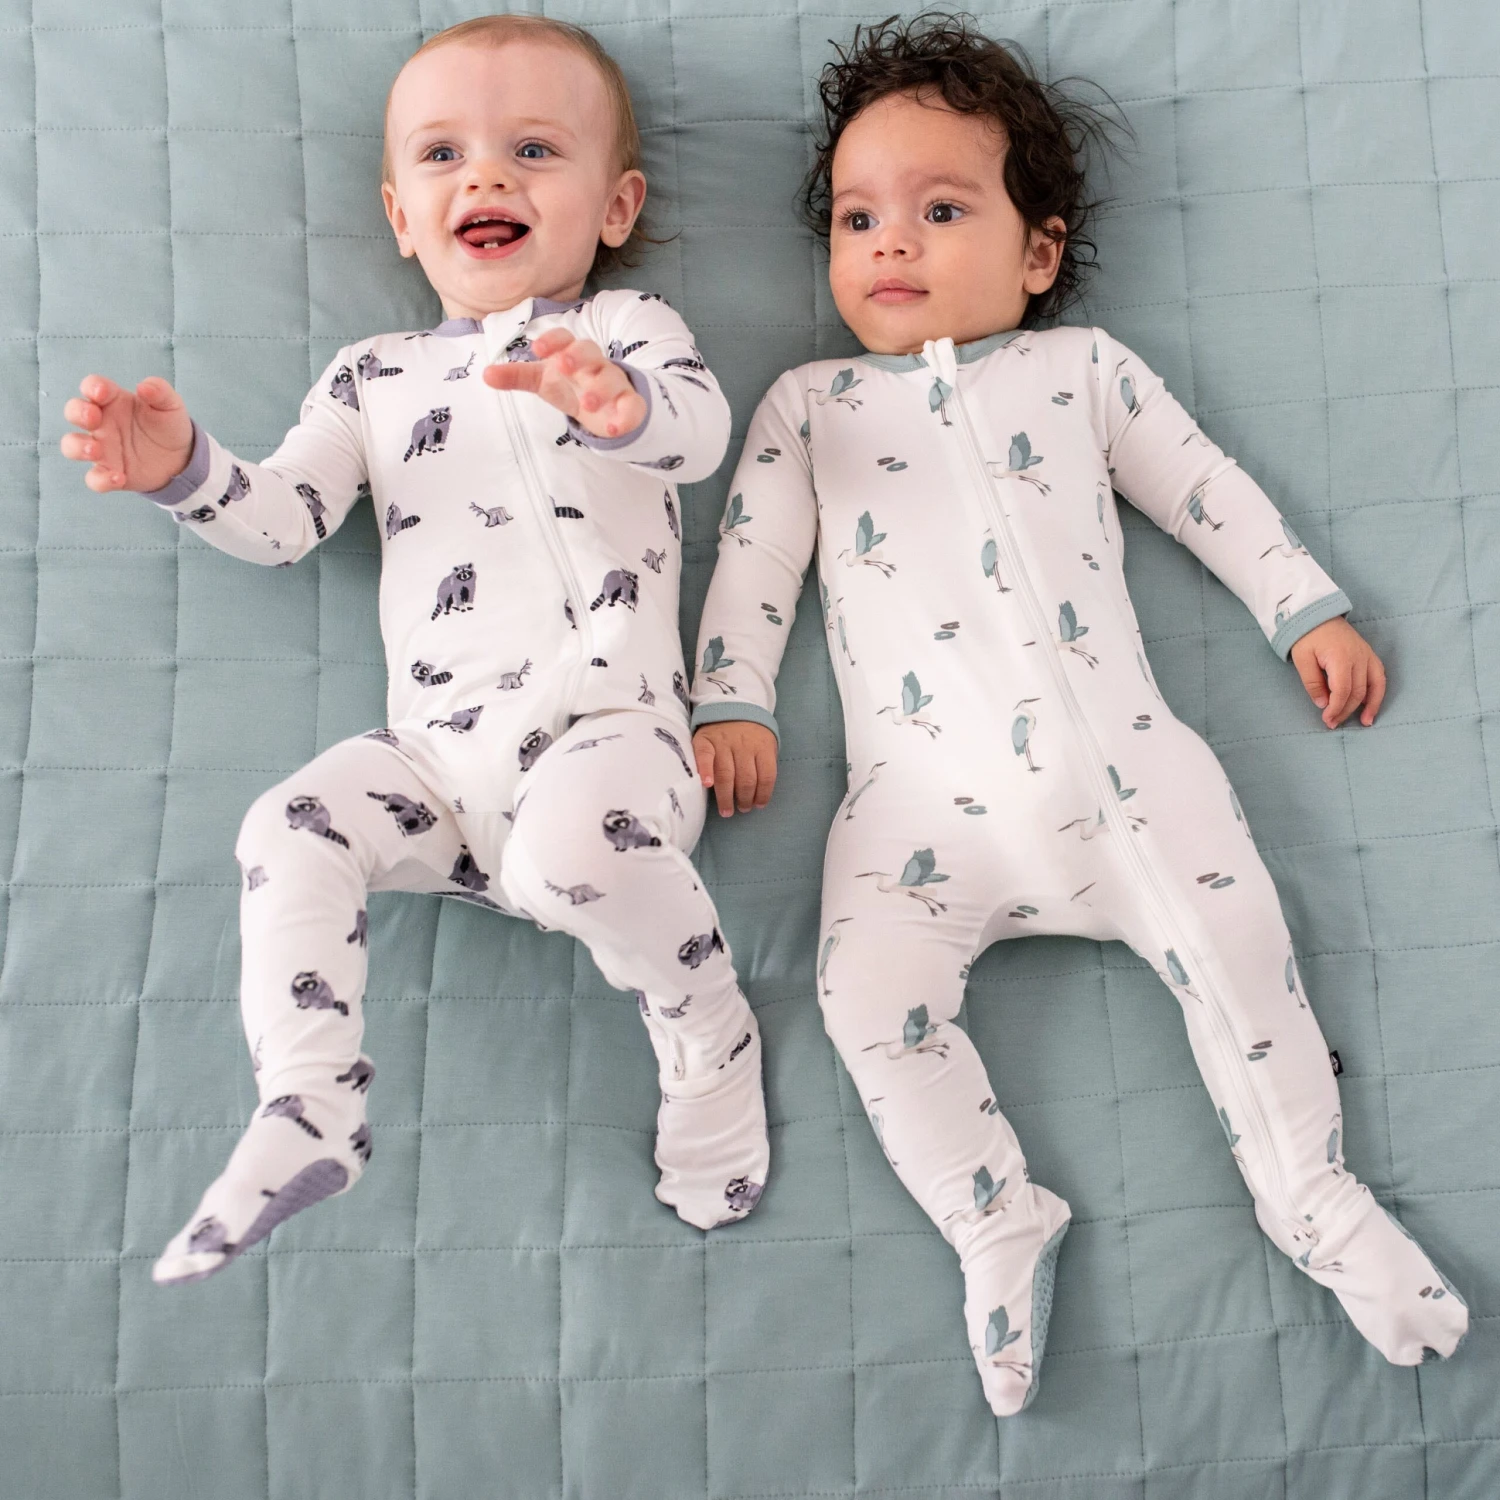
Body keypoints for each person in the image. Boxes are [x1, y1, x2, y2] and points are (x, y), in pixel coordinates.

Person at [689, 12, 1464, 1414]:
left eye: (941, 211)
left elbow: (1205, 489)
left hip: (1130, 784)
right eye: (858, 218)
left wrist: (1302, 605)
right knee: (864, 1001)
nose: (891, 243)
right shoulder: (807, 407)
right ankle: (995, 1218)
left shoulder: (1083, 373)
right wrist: (732, 701)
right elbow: (751, 564)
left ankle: (1314, 1197)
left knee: (1244, 965)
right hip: (914, 813)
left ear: (1037, 254)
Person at [60, 14, 768, 1285]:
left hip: (609, 735)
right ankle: (311, 1100)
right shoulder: (369, 377)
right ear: (400, 216)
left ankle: (710, 1037)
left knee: (571, 856)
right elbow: (288, 519)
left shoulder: (628, 325)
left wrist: (618, 408)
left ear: (616, 205)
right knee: (286, 827)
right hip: (435, 761)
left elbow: (700, 436)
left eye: (533, 150)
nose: (486, 175)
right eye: (444, 155)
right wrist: (186, 473)